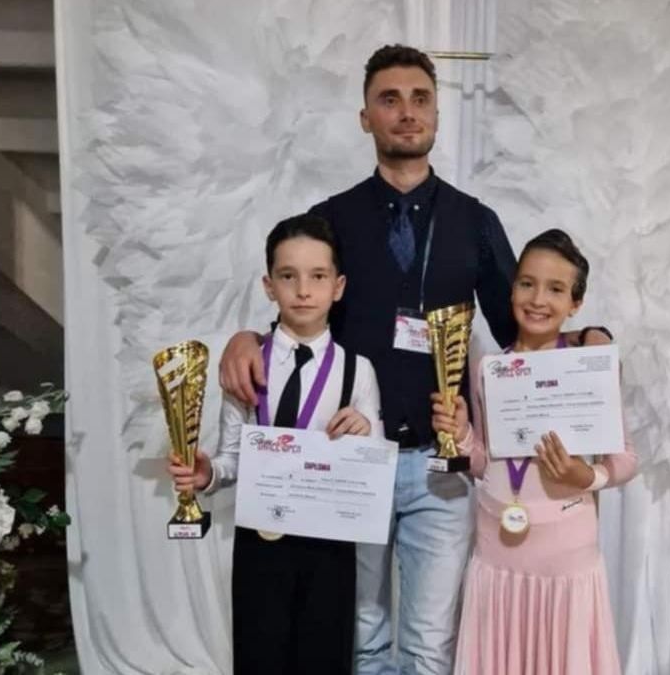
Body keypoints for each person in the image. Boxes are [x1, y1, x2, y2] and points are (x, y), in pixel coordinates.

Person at [218, 44, 612, 674]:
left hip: (442, 469)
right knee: (364, 640)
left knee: (430, 646)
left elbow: (525, 324)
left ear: (436, 114)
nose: (407, 112)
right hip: (353, 462)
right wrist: (249, 338)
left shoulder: (475, 222)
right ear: (365, 117)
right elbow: (303, 307)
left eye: (420, 98)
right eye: (389, 99)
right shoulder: (331, 218)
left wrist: (590, 337)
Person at [169, 214, 382, 674]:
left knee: (325, 658)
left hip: (330, 545)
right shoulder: (245, 365)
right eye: (288, 276)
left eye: (318, 276)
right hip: (260, 541)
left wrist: (365, 436)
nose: (303, 290)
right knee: (258, 655)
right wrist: (208, 474)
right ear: (269, 286)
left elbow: (375, 470)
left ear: (338, 287)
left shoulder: (357, 370)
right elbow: (232, 458)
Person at [432, 229, 638, 675]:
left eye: (556, 289)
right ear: (513, 289)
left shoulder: (590, 361)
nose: (538, 299)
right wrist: (462, 435)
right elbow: (486, 462)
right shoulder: (490, 369)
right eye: (527, 283)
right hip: (497, 556)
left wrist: (589, 478)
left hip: (565, 558)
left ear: (576, 304)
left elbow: (625, 458)